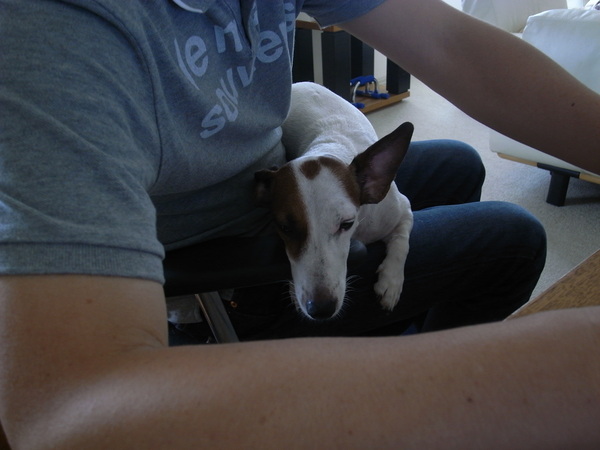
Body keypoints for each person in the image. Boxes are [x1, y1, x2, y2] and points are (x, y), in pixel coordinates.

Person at [0, 0, 598, 448]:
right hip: (234, 267)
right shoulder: (52, 30)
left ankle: (384, 336)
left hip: (277, 175)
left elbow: (447, 41)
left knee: (460, 163)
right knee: (513, 239)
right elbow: (60, 409)